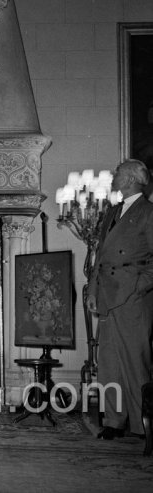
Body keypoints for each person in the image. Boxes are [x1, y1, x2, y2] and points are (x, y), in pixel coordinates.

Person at [87, 159, 153, 440]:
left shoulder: (148, 212)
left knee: (135, 361)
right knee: (110, 361)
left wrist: (140, 285)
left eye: (117, 173)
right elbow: (100, 258)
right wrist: (92, 290)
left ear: (130, 179)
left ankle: (142, 425)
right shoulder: (114, 211)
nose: (113, 177)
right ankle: (114, 421)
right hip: (107, 294)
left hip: (132, 297)